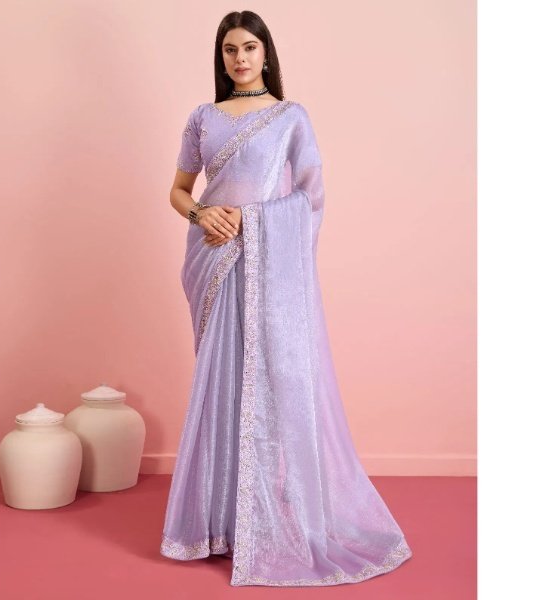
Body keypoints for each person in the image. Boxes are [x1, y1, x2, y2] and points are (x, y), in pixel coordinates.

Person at [160, 10, 413, 587]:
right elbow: (178, 191)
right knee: (222, 385)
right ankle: (220, 523)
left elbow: (311, 197)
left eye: (250, 48)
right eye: (230, 49)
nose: (240, 58)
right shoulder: (203, 118)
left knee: (272, 384)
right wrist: (202, 215)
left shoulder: (290, 117)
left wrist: (252, 222)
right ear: (221, 56)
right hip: (214, 264)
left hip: (268, 265)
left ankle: (269, 520)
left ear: (266, 53)